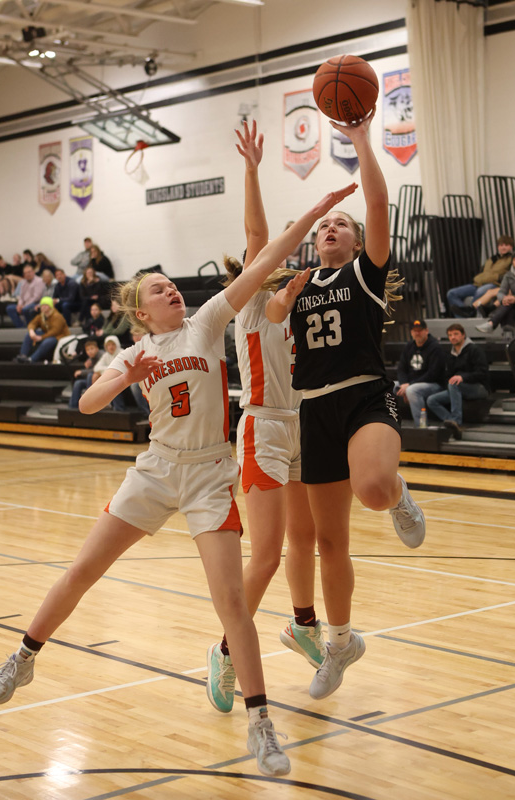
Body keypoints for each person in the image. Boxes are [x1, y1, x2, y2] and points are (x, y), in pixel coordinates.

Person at [0, 182, 356, 778]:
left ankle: (262, 725)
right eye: (159, 288)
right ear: (141, 311)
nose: (171, 289)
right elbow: (89, 404)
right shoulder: (133, 352)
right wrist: (126, 377)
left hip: (208, 474)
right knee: (82, 570)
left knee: (233, 604)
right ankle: (21, 657)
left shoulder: (206, 323)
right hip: (155, 472)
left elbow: (260, 263)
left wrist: (308, 215)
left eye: (171, 283)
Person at [267, 109, 425, 703]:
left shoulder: (363, 273)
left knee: (376, 489)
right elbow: (273, 316)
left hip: (362, 394)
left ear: (359, 241)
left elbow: (380, 206)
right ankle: (340, 641)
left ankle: (401, 495)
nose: (330, 228)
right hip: (313, 408)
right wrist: (280, 290)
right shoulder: (300, 281)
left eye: (341, 223)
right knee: (329, 542)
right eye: (324, 224)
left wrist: (360, 139)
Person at [206, 122, 324, 716]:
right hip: (263, 429)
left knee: (307, 540)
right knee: (269, 554)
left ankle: (303, 624)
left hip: (302, 425)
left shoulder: (291, 305)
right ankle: (226, 651)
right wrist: (252, 169)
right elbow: (257, 232)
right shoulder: (250, 301)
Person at [426, 323, 489, 439]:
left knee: (454, 384)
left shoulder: (475, 350)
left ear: (463, 335)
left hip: (479, 387)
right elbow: (448, 376)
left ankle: (457, 422)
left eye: (456, 334)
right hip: (457, 388)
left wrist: (463, 378)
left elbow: (482, 373)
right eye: (450, 335)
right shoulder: (450, 355)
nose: (453, 337)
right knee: (432, 400)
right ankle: (452, 422)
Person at [447, 235, 514, 317]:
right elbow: (482, 272)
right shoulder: (491, 259)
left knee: (480, 291)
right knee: (451, 293)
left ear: (511, 246)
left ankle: (471, 312)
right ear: (498, 247)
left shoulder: (512, 259)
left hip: (495, 284)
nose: (503, 247)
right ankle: (463, 316)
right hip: (478, 283)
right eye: (501, 245)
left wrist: (498, 278)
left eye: (506, 245)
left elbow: (512, 275)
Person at [395, 319, 445, 425]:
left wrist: (409, 385)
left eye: (420, 330)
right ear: (411, 332)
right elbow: (401, 369)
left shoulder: (435, 347)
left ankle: (421, 426)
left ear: (426, 331)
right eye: (414, 330)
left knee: (412, 391)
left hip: (434, 384)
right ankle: (392, 423)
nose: (417, 333)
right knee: (389, 386)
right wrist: (404, 384)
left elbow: (433, 374)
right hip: (411, 384)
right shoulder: (409, 346)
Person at [14, 296, 70, 363]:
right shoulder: (42, 315)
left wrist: (41, 337)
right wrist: (31, 331)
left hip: (60, 336)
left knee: (47, 341)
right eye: (42, 305)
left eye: (46, 305)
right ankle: (22, 355)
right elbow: (32, 323)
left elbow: (55, 331)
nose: (43, 307)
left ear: (50, 306)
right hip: (48, 335)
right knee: (29, 335)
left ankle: (31, 359)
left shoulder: (57, 316)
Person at [68, 338, 103, 408]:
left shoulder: (101, 355)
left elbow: (96, 370)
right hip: (92, 380)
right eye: (87, 350)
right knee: (78, 383)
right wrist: (86, 367)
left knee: (90, 375)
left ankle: (88, 401)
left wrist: (82, 372)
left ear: (97, 348)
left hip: (102, 380)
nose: (90, 351)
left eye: (91, 349)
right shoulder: (90, 358)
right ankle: (73, 407)